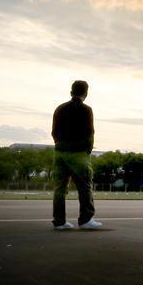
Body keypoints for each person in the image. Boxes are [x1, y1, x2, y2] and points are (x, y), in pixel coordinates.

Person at [51, 80, 101, 230]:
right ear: (86, 93)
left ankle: (59, 221)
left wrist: (60, 145)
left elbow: (54, 132)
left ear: (71, 91)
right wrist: (87, 150)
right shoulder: (86, 110)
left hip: (59, 152)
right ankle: (86, 219)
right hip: (78, 153)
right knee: (85, 186)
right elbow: (89, 133)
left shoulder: (60, 108)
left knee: (59, 188)